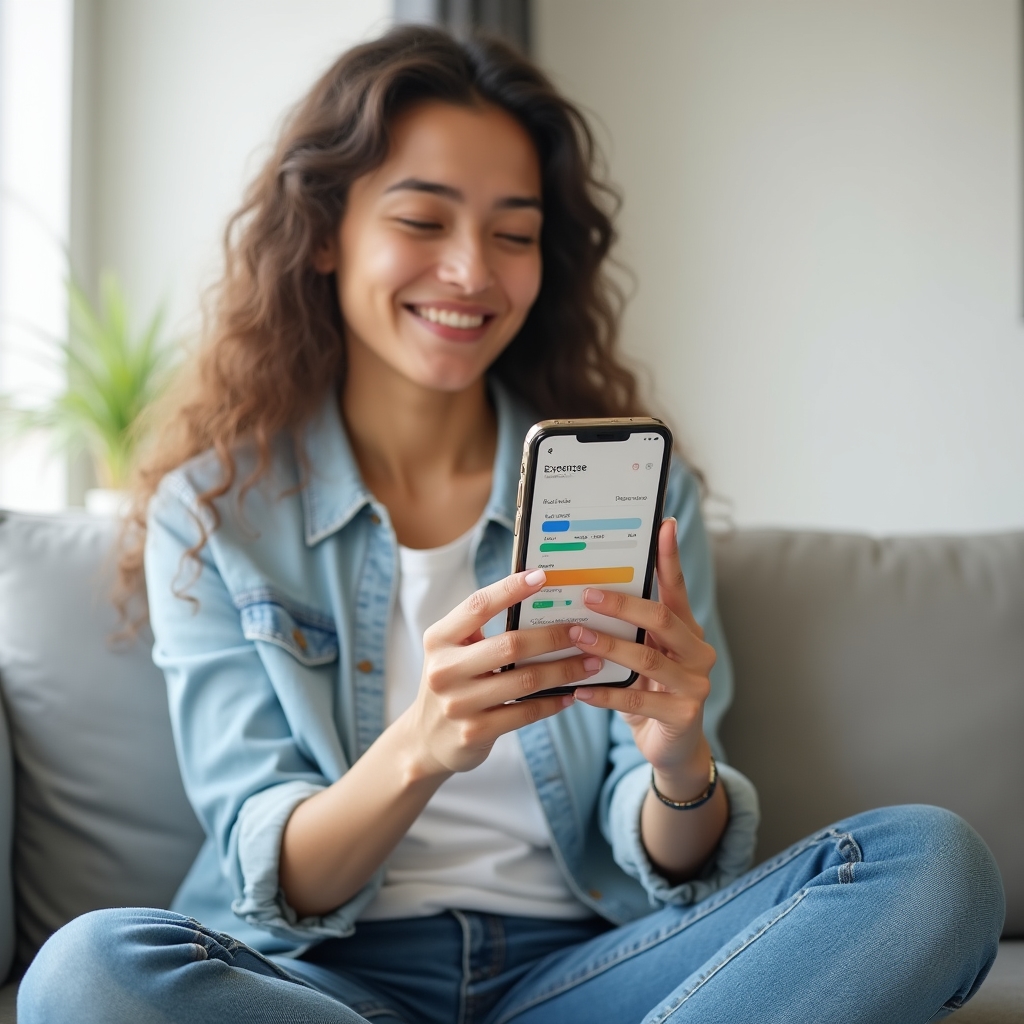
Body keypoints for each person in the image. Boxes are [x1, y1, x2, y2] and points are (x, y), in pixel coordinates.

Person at [19, 25, 1003, 1024]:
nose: (469, 272)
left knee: (936, 866)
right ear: (323, 233)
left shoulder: (640, 488)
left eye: (514, 232)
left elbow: (673, 859)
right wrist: (422, 746)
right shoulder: (219, 512)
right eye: (422, 219)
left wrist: (677, 762)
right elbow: (276, 868)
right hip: (321, 984)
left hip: (590, 973)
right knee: (87, 972)